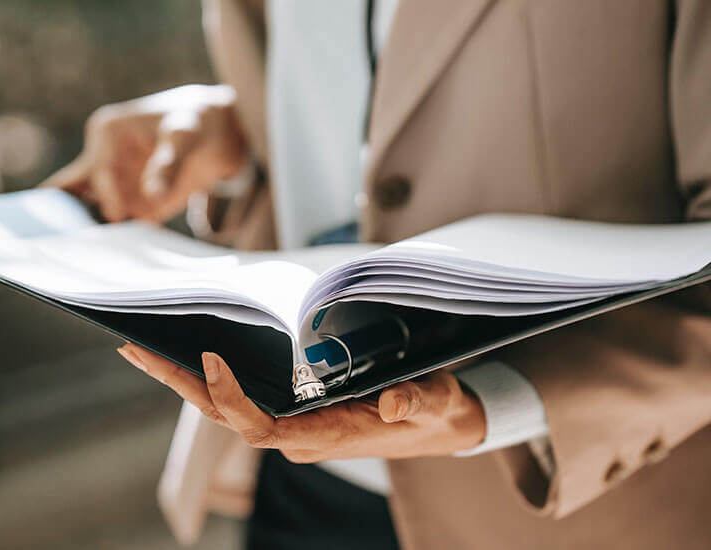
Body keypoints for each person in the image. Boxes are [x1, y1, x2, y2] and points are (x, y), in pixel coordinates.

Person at [43, 1, 711, 549]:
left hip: (566, 503)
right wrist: (232, 135)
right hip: (305, 487)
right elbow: (352, 114)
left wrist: (499, 405)